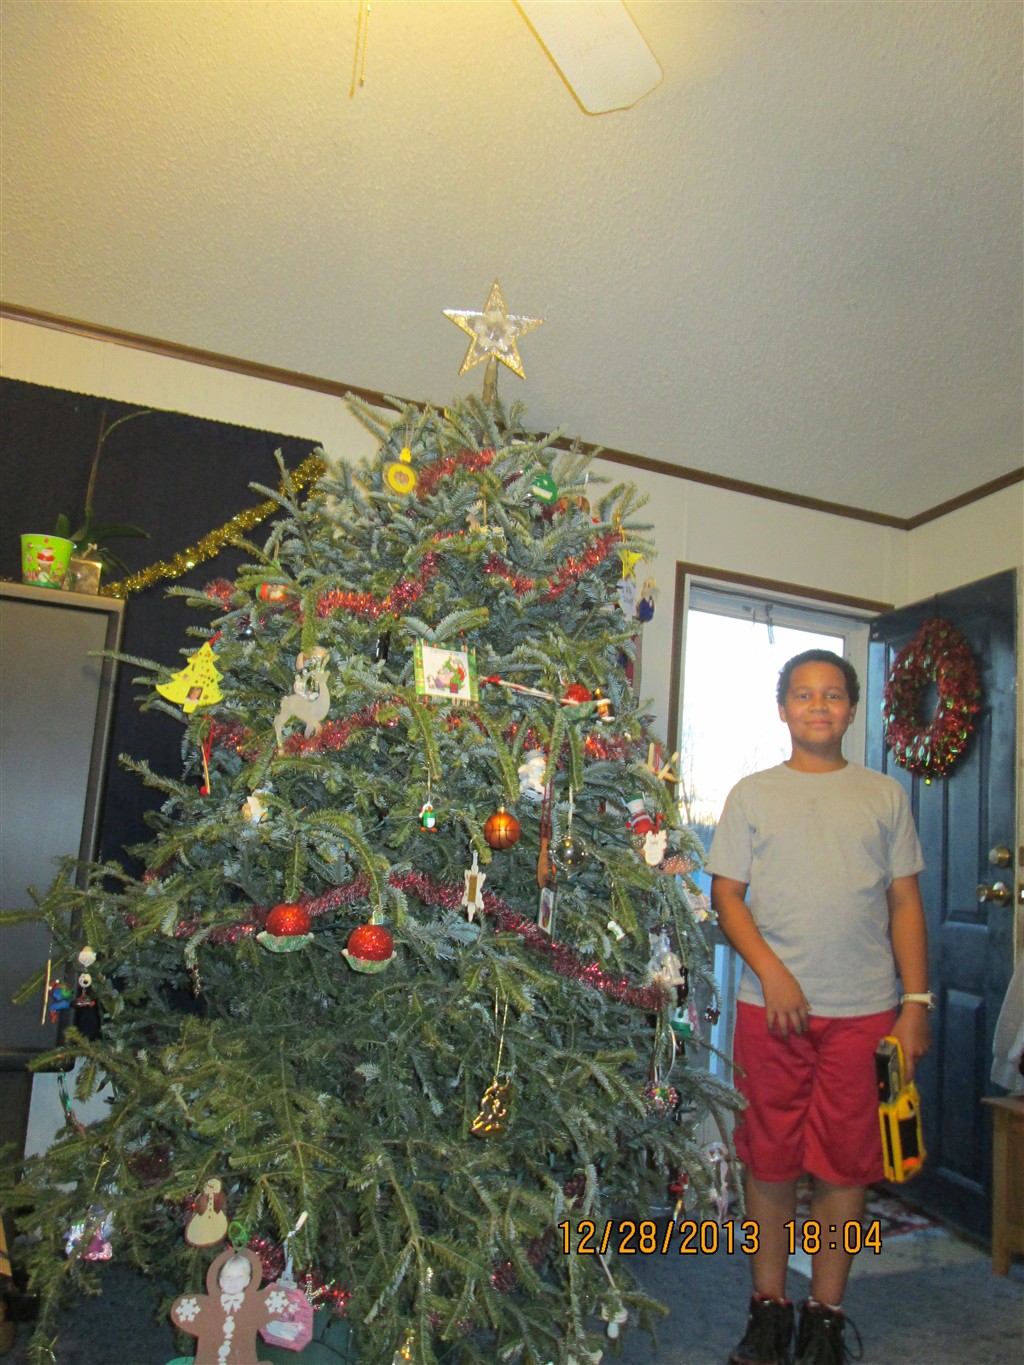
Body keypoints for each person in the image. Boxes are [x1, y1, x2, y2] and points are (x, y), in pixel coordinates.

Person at [706, 649, 931, 1365]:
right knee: (769, 1161)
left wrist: (915, 1003)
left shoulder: (884, 797)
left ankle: (825, 1316)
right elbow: (726, 896)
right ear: (782, 709)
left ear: (852, 709)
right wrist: (772, 973)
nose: (818, 705)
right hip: (769, 1011)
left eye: (832, 694)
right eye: (803, 694)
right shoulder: (752, 794)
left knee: (844, 1166)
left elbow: (905, 902)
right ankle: (768, 1310)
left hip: (865, 1013)